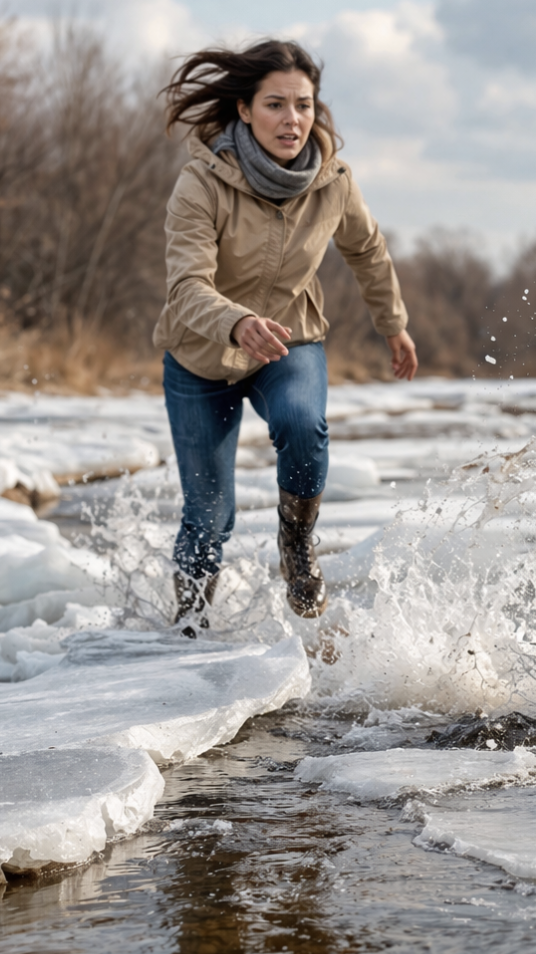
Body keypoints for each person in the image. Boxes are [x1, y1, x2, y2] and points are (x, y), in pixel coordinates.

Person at [157, 39, 416, 632]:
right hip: (201, 356)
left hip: (290, 341)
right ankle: (187, 630)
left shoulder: (333, 181)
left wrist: (393, 324)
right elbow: (185, 286)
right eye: (275, 104)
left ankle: (296, 542)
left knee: (303, 425)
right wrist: (237, 322)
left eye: (303, 104)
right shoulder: (201, 183)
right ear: (244, 110)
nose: (292, 119)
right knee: (208, 515)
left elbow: (368, 252)